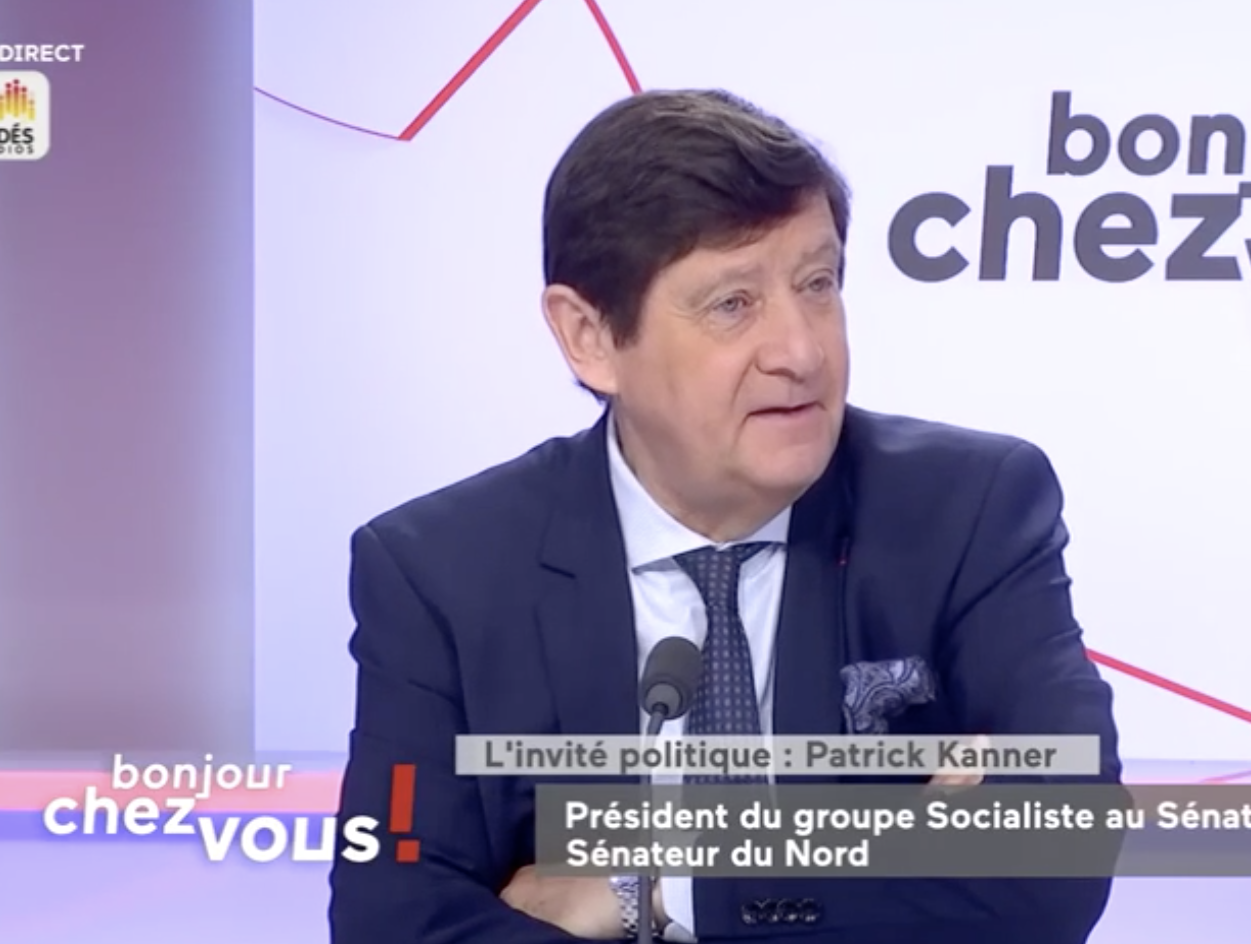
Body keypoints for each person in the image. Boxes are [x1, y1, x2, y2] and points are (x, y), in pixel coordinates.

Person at [328, 89, 1121, 943]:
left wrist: (657, 888)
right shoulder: (439, 575)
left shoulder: (970, 511)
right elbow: (390, 915)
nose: (802, 351)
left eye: (817, 284)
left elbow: (1061, 843)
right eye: (732, 303)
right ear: (589, 336)